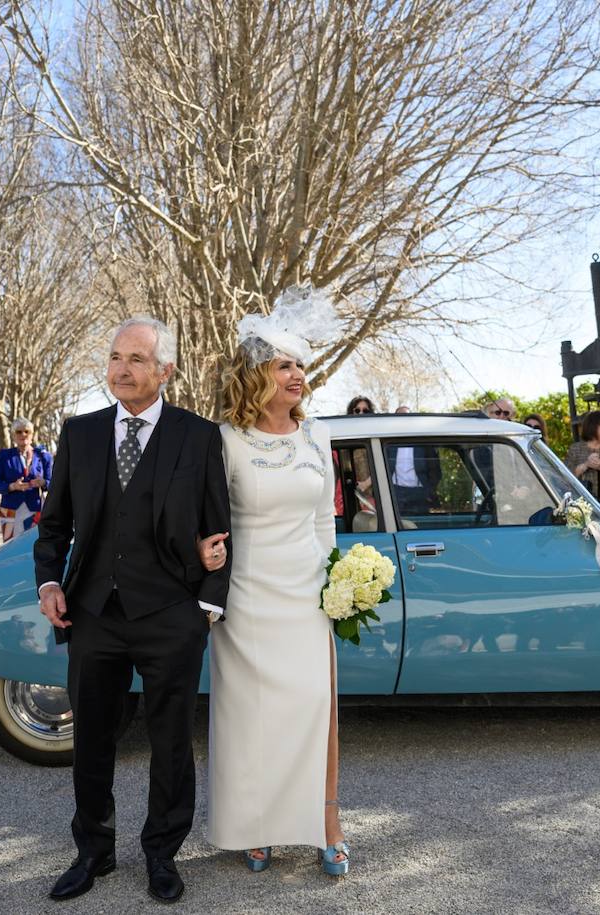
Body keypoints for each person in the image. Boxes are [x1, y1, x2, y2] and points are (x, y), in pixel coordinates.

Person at [33, 316, 232, 903]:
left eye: (137, 359)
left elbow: (221, 526)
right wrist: (48, 583)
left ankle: (162, 854)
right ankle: (93, 852)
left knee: (171, 742)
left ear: (165, 371)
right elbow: (54, 525)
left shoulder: (197, 436)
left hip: (172, 613)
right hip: (93, 612)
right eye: (117, 357)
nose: (122, 369)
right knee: (92, 737)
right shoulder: (80, 432)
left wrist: (206, 608)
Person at [211, 289, 350, 877]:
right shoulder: (224, 440)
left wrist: (339, 585)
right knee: (251, 717)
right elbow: (208, 517)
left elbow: (325, 520)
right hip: (244, 596)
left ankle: (327, 824)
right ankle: (256, 825)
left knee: (318, 709)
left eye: (299, 364)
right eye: (284, 364)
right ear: (255, 374)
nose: (297, 375)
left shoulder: (317, 437)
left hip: (307, 594)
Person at [0, 418, 52, 542]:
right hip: (10, 510)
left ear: (32, 434)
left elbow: (54, 484)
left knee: (32, 547)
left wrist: (43, 483)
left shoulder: (44, 456)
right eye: (19, 432)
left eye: (26, 431)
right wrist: (12, 486)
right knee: (10, 549)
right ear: (13, 435)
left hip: (35, 509)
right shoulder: (4, 456)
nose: (23, 435)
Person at [565, 410, 600, 503]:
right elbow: (566, 476)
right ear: (593, 426)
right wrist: (586, 465)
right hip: (582, 504)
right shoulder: (576, 448)